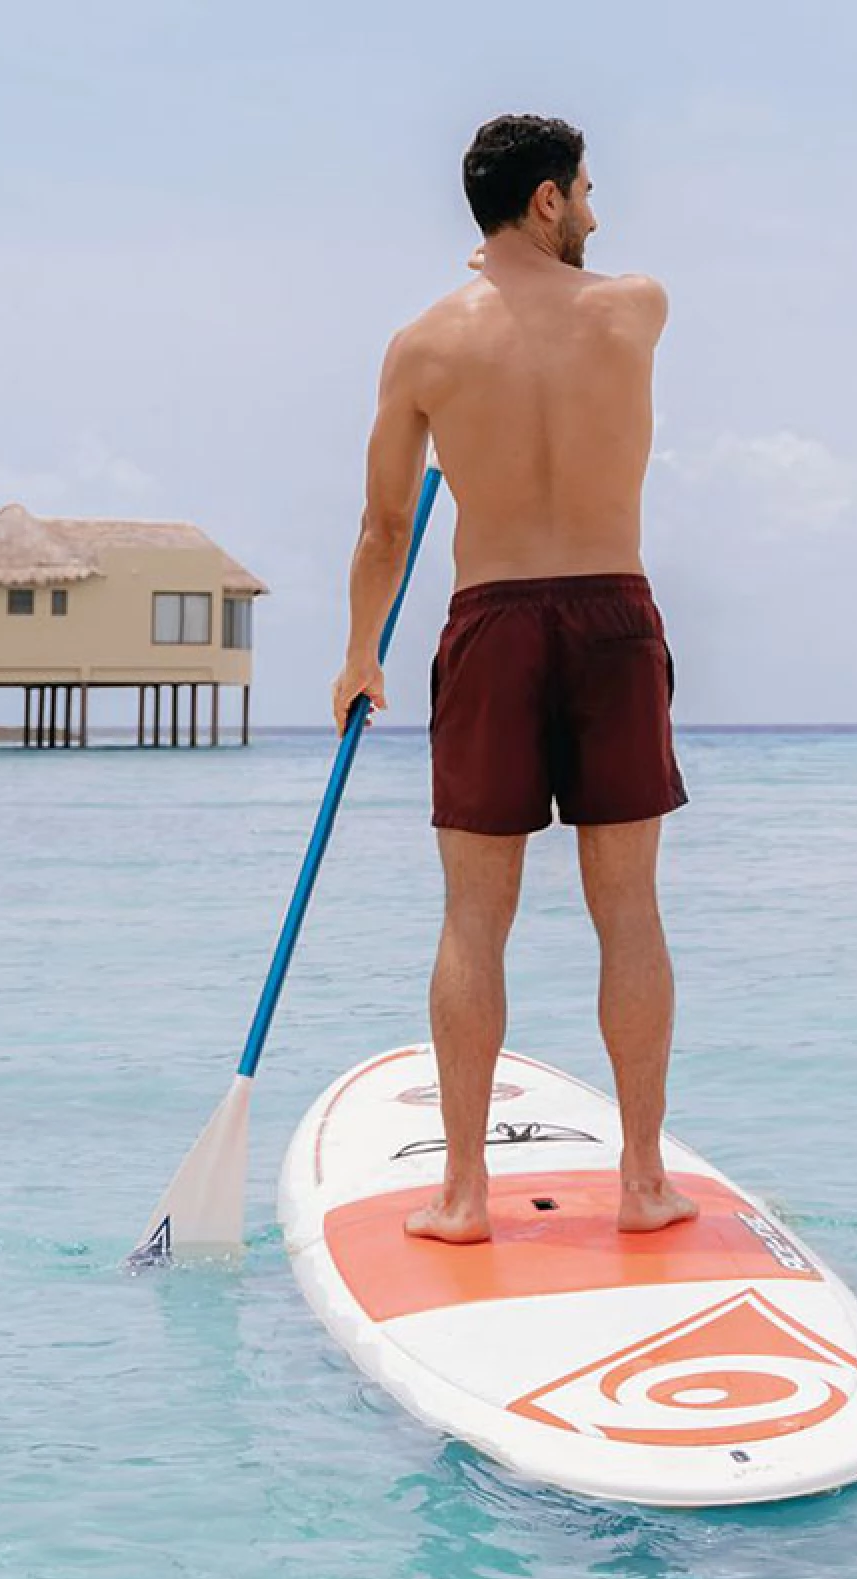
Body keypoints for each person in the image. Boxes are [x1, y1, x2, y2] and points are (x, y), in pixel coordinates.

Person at [332, 113, 695, 1244]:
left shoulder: (424, 344)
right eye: (584, 190)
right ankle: (641, 1182)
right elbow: (588, 291)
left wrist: (360, 653)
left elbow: (386, 522)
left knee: (473, 917)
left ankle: (462, 1195)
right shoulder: (635, 308)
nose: (596, 210)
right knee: (627, 906)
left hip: (489, 622)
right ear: (545, 200)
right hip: (612, 615)